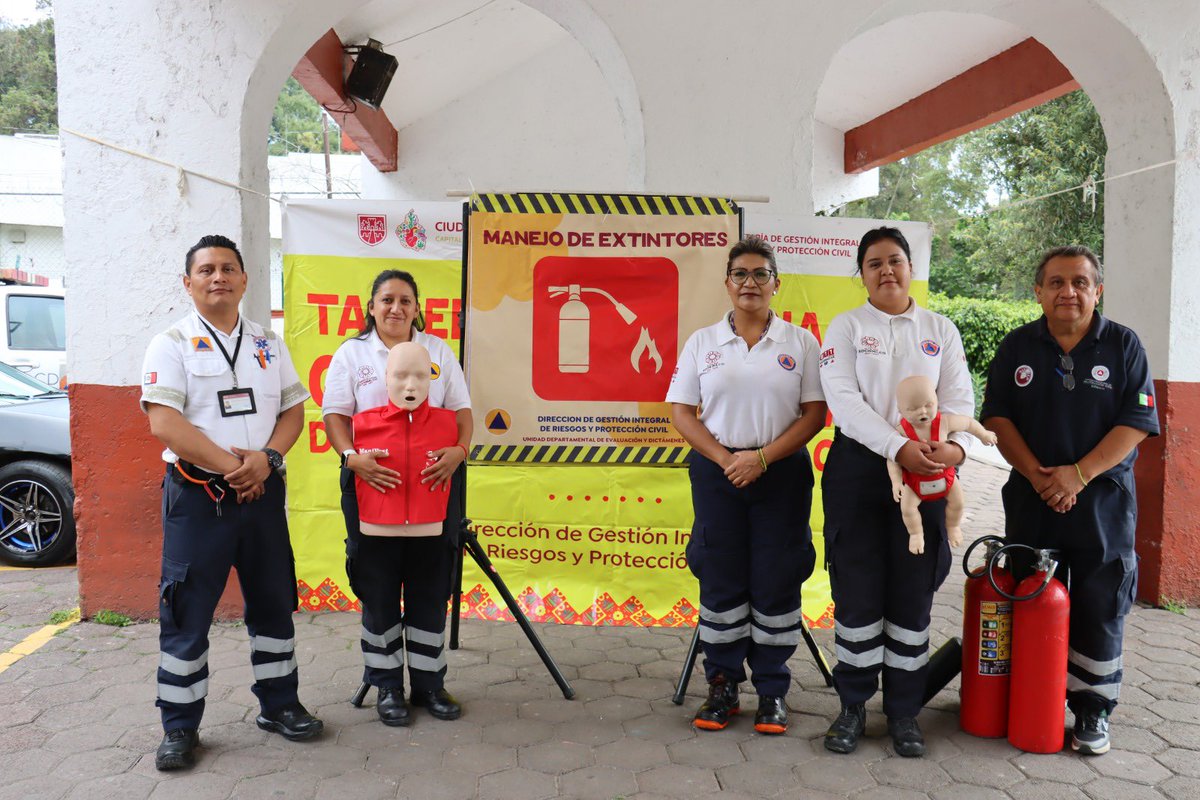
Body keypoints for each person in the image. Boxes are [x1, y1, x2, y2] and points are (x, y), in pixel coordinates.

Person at [141, 234, 323, 771]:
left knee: (272, 603)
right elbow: (164, 422)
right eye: (206, 270)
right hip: (200, 499)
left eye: (228, 269)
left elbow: (294, 411)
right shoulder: (169, 343)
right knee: (187, 613)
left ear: (245, 279)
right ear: (188, 283)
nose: (217, 277)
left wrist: (265, 458)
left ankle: (280, 706)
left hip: (262, 493)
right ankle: (179, 728)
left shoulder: (269, 341)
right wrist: (236, 468)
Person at [981, 245, 1158, 756]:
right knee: (1027, 593)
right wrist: (1042, 480)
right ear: (1038, 292)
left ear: (1096, 290)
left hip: (1102, 502)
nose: (1069, 291)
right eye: (1056, 282)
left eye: (1080, 282)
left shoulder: (1124, 345)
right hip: (1033, 498)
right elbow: (997, 418)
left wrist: (1078, 476)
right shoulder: (1017, 346)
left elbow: (1138, 423)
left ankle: (1091, 709)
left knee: (1101, 602)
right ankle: (1028, 698)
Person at [818, 226, 975, 757]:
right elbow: (841, 400)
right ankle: (853, 706)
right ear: (860, 273)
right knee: (857, 589)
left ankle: (904, 711)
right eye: (874, 263)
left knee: (913, 589)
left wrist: (953, 448)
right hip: (860, 469)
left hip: (927, 471)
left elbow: (959, 399)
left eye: (896, 260)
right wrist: (895, 447)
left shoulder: (939, 329)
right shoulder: (845, 327)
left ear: (911, 268)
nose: (886, 270)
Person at [667, 235, 826, 735]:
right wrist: (726, 459)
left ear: (776, 284)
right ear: (727, 283)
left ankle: (774, 692)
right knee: (720, 575)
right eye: (740, 274)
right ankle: (722, 687)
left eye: (761, 274)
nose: (750, 282)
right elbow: (681, 412)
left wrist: (760, 458)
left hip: (780, 473)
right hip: (717, 474)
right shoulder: (702, 342)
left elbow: (815, 414)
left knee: (777, 575)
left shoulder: (801, 342)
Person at [322, 270, 472, 726]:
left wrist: (459, 452)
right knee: (379, 586)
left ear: (416, 306)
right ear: (371, 306)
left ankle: (429, 685)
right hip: (372, 487)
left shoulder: (439, 351)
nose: (396, 308)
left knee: (431, 586)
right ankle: (388, 686)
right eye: (386, 299)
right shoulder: (352, 354)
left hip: (433, 487)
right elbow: (334, 415)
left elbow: (463, 412)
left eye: (405, 300)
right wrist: (351, 458)